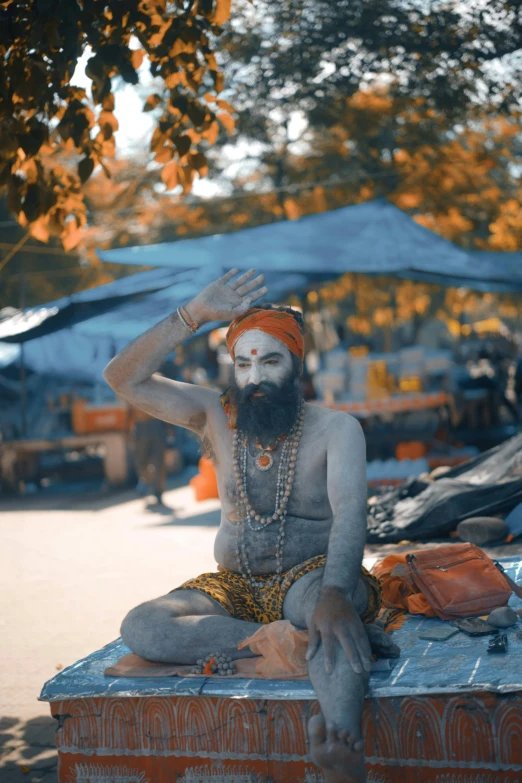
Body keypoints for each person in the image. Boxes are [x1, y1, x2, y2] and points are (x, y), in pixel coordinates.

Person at [103, 269, 398, 783]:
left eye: (270, 360)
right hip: (234, 587)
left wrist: (333, 591)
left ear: (296, 366)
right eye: (243, 363)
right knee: (142, 626)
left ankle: (340, 745)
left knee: (331, 617)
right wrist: (191, 315)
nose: (255, 377)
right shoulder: (211, 414)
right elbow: (122, 378)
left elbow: (351, 514)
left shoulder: (337, 429)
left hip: (310, 578)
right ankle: (283, 639)